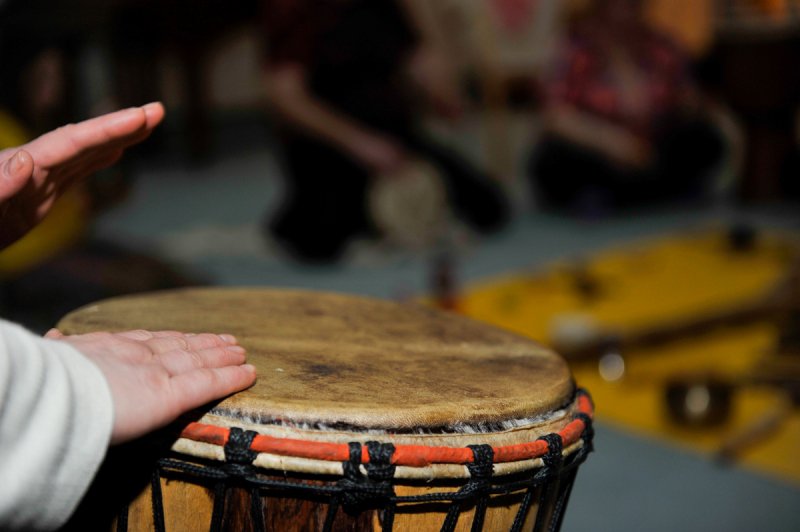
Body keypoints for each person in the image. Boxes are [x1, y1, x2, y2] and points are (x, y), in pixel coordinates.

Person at [0, 103, 258, 530]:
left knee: (180, 282)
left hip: (66, 241)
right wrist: (69, 392)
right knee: (135, 285)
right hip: (28, 268)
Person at [261, 0, 510, 262]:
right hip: (328, 143)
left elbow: (416, 58)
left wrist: (442, 91)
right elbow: (286, 96)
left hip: (392, 134)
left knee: (487, 208)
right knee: (319, 241)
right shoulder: (295, 9)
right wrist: (360, 144)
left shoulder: (384, 6)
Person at [529, 0, 724, 215]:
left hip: (652, 148)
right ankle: (635, 192)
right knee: (552, 156)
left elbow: (687, 99)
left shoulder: (662, 43)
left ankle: (643, 191)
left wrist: (693, 105)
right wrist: (611, 141)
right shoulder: (574, 45)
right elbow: (555, 114)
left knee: (702, 137)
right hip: (599, 150)